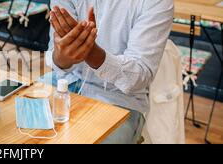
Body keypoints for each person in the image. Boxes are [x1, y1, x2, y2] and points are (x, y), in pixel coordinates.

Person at [42, 0, 174, 143]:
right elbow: (55, 54)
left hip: (120, 99)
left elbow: (139, 75)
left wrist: (90, 51)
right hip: (64, 83)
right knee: (18, 119)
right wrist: (63, 54)